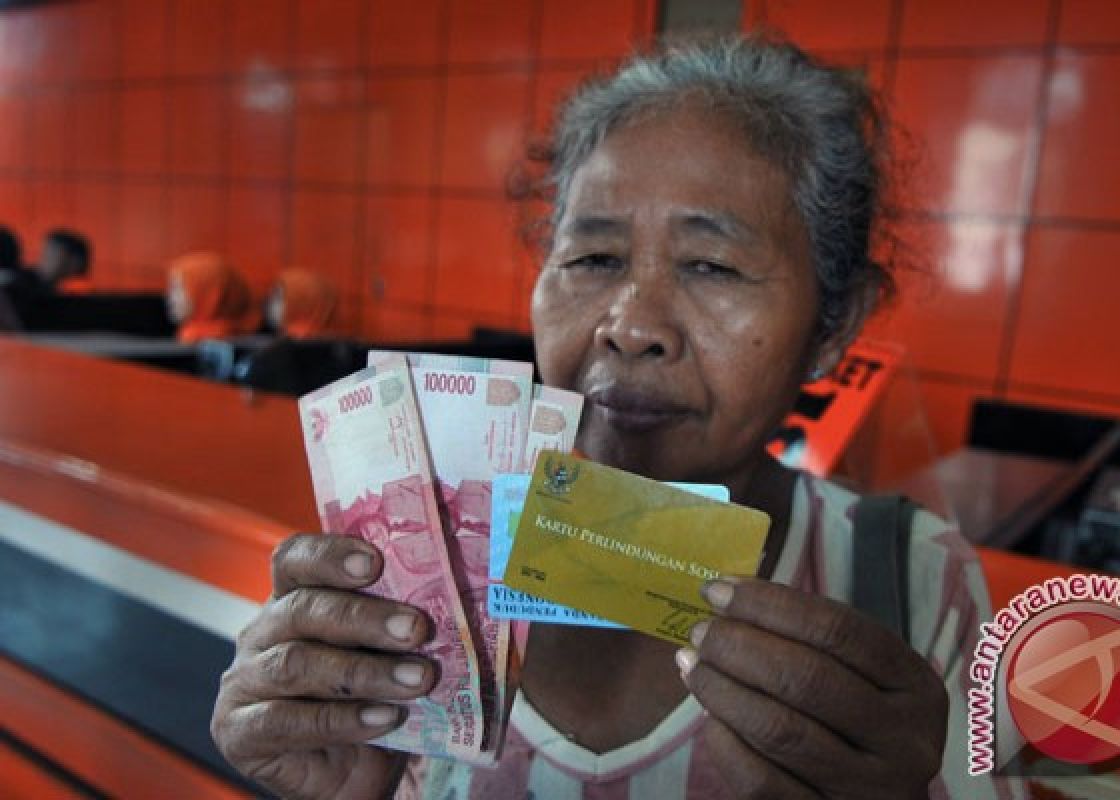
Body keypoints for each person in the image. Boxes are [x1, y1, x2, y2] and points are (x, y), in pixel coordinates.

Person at [211, 37, 1026, 799]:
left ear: (834, 326)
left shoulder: (913, 581)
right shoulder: (414, 552)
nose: (630, 325)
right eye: (593, 258)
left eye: (712, 265)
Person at [166, 252, 256, 343]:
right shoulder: (189, 336)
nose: (171, 299)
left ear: (210, 295)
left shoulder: (230, 345)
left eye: (178, 289)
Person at [264, 269, 338, 339]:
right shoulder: (272, 344)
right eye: (272, 297)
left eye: (279, 297)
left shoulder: (331, 348)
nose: (271, 304)